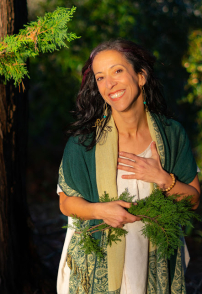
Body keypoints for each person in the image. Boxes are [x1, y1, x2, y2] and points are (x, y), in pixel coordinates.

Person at [56, 39, 200, 294]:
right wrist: (101, 211)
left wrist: (164, 179)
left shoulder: (171, 134)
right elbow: (66, 203)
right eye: (100, 77)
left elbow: (194, 201)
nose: (109, 84)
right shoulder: (84, 143)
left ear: (141, 76)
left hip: (152, 262)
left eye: (117, 71)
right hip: (99, 264)